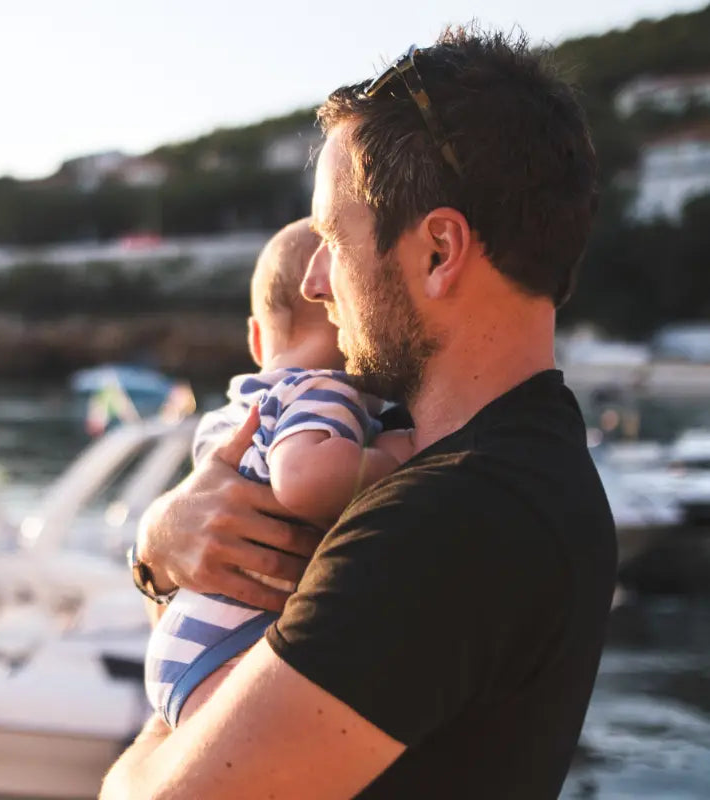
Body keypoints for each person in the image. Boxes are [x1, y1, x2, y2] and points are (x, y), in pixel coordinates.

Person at [104, 27, 615, 799]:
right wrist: (168, 556)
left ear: (439, 250)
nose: (313, 283)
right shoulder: (532, 464)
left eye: (334, 240)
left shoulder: (448, 517)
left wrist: (162, 573)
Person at [145, 218, 414, 729]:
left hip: (188, 639)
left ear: (254, 337)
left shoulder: (232, 411)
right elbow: (304, 479)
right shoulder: (323, 391)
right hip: (233, 649)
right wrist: (397, 458)